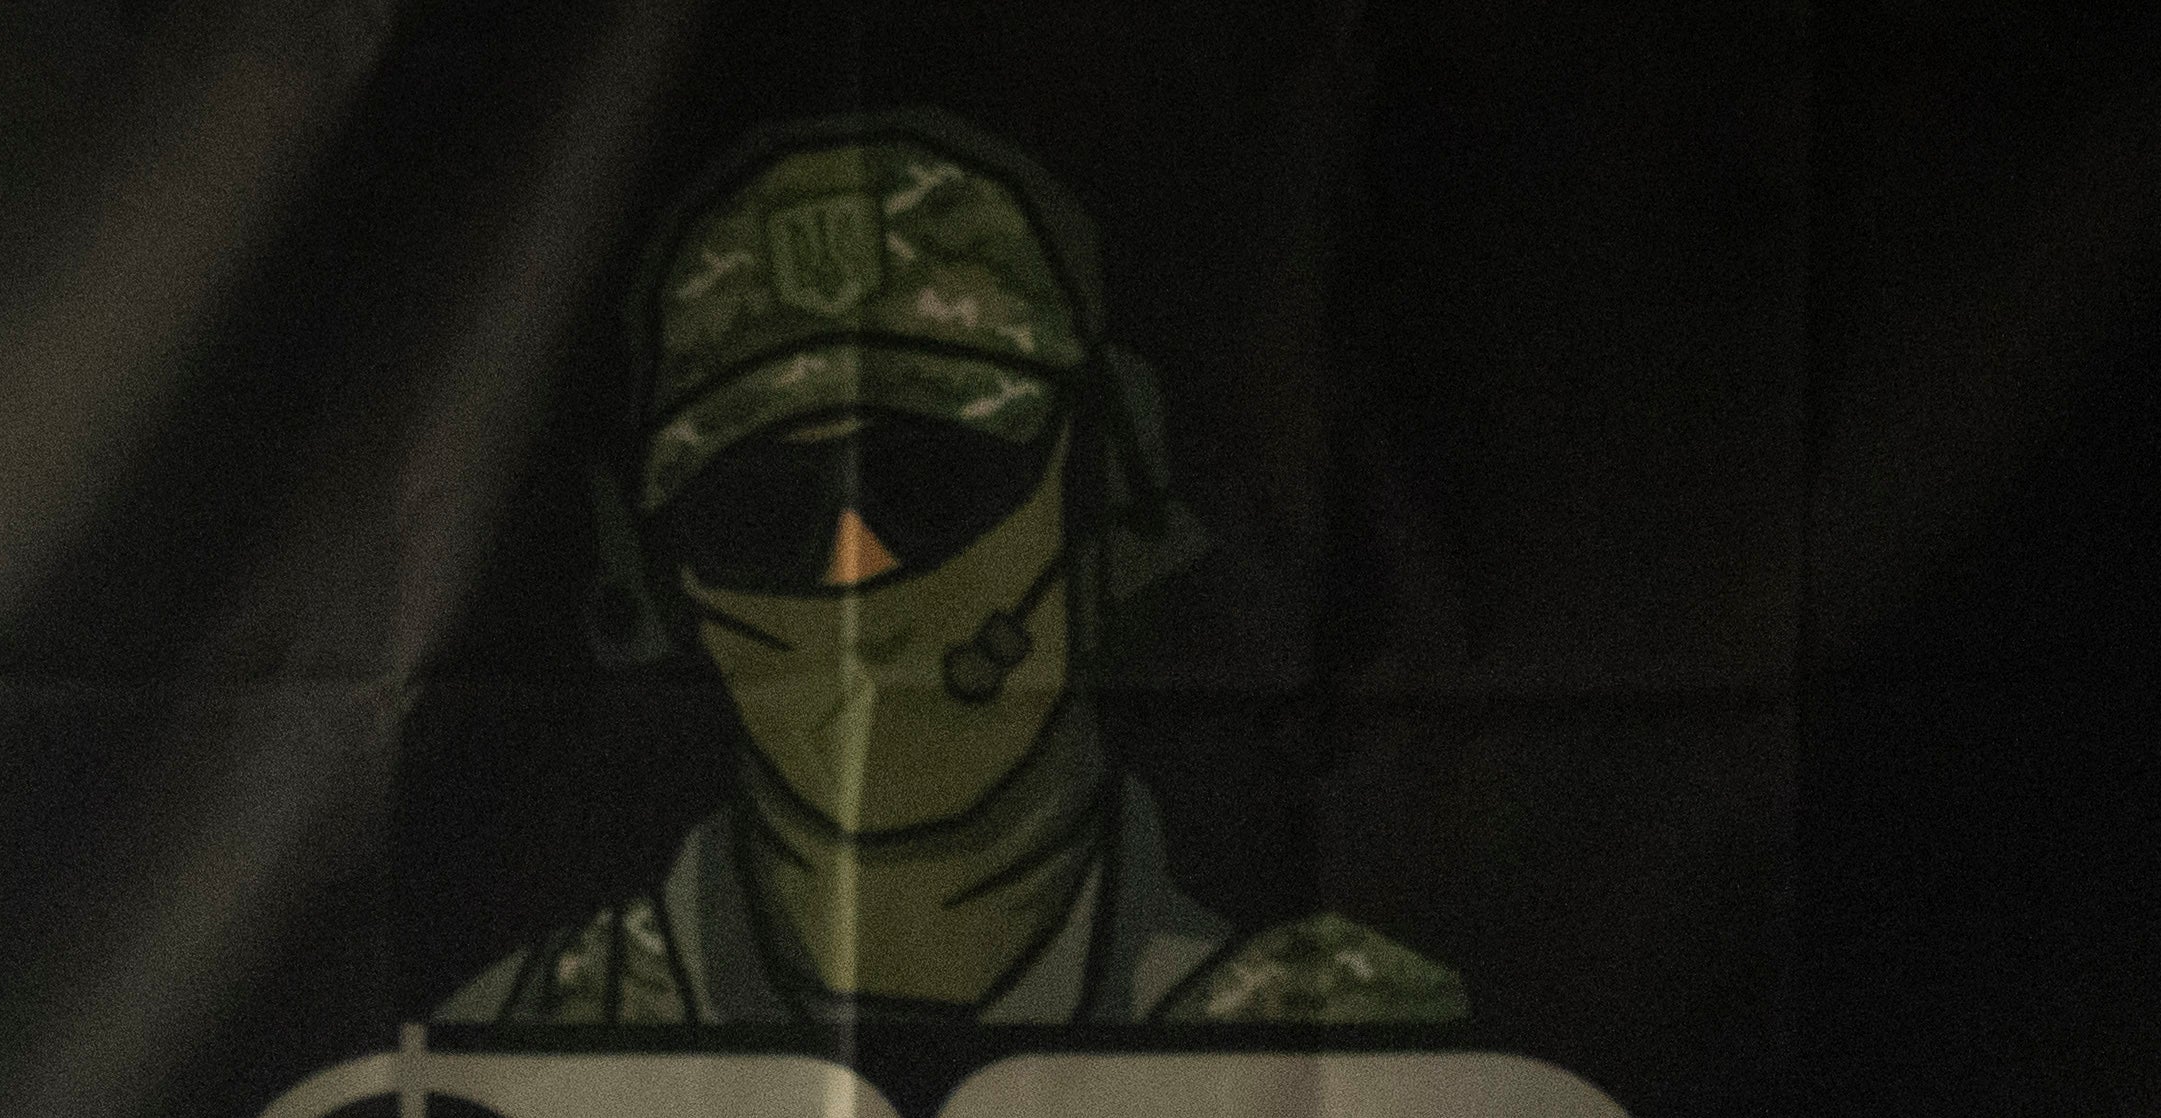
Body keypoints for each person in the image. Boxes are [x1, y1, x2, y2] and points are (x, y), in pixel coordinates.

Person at [453, 115, 1462, 1032]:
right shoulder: (526, 1047)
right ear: (660, 578)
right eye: (759, 516)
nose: (857, 580)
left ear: (1107, 477)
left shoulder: (1339, 1044)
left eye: (931, 479)